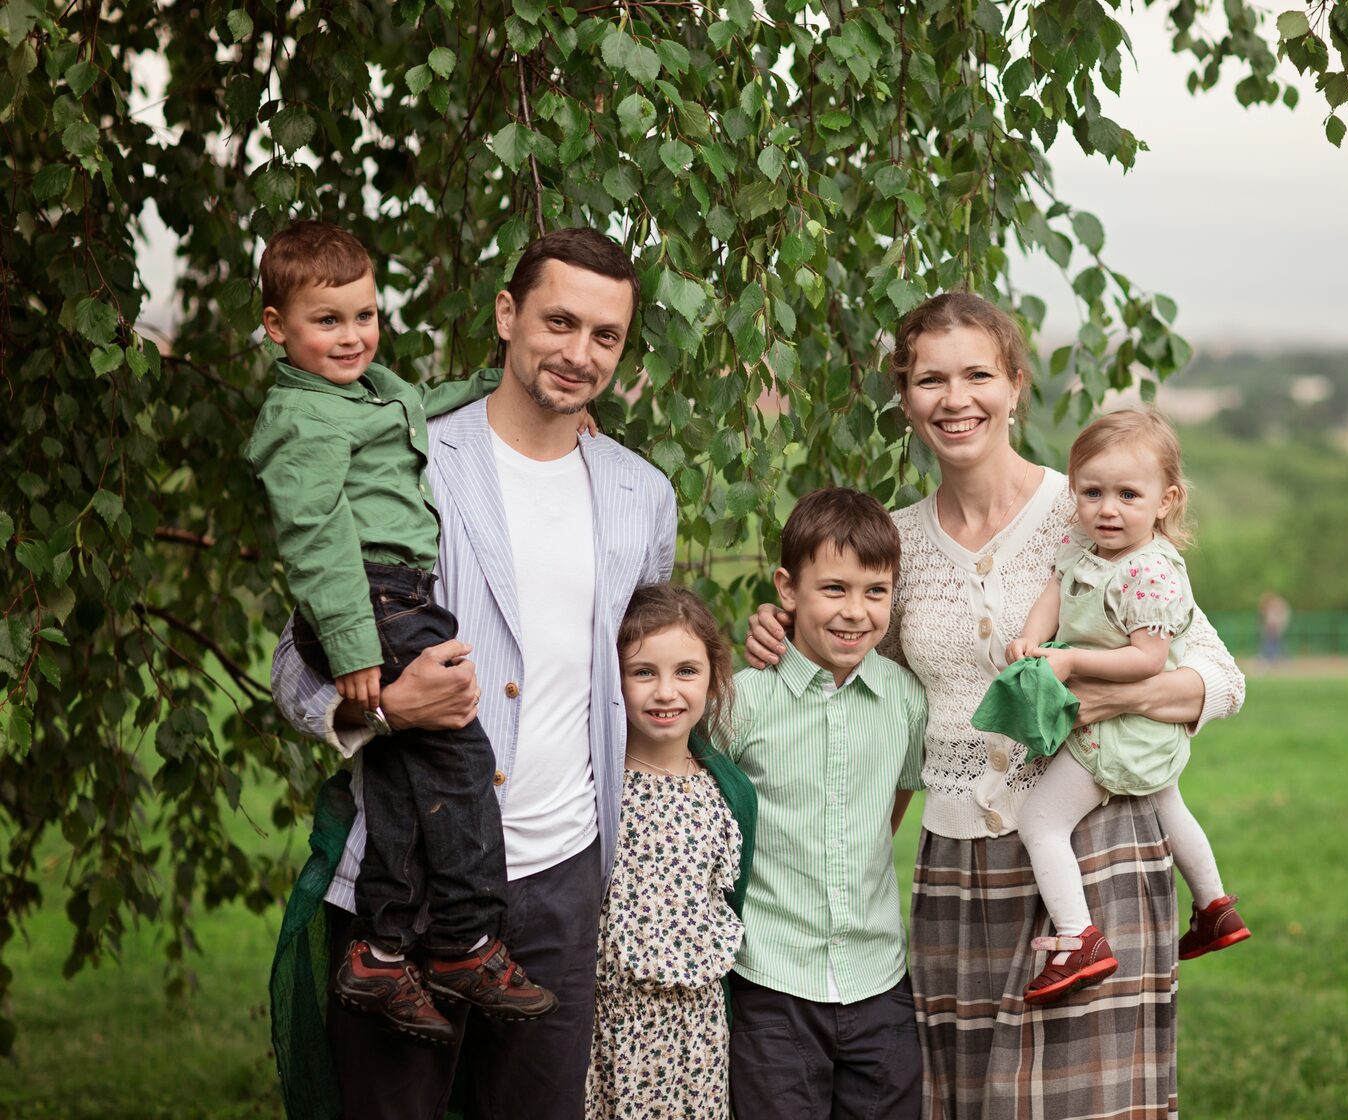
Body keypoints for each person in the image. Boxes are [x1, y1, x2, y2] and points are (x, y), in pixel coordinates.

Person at [747, 293, 1245, 1118]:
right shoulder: (893, 544)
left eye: (978, 374)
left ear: (1016, 384)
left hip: (1092, 851)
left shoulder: (1090, 506)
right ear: (904, 398)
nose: (956, 399)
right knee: (967, 1102)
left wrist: (1113, 696)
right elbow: (857, 673)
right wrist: (785, 627)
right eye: (930, 380)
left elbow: (1221, 678)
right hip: (958, 867)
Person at [270, 227, 677, 1119]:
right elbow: (293, 663)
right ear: (507, 314)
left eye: (605, 335)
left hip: (564, 881)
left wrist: (764, 641)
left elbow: (654, 666)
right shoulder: (410, 459)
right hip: (406, 881)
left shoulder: (641, 493)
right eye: (559, 321)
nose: (579, 353)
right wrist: (384, 711)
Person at [246, 219, 555, 1045]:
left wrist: (508, 389)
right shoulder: (301, 418)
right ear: (277, 326)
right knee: (460, 755)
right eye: (327, 321)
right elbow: (314, 538)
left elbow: (429, 402)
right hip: (374, 597)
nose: (352, 336)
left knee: (405, 775)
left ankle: (381, 950)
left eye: (364, 316)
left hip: (394, 594)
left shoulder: (367, 391)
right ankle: (464, 939)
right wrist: (352, 650)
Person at [996, 408, 1249, 1007]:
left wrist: (1069, 663)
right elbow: (1055, 590)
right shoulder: (1086, 546)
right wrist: (1033, 639)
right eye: (1092, 492)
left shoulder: (1148, 572)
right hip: (1143, 734)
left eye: (1128, 494)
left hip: (1120, 727)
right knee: (1168, 801)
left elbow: (1147, 661)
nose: (1107, 508)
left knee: (1042, 821)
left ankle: (1078, 938)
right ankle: (1215, 906)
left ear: (1167, 499)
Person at [726, 488, 926, 1120]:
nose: (856, 611)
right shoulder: (742, 702)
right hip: (772, 981)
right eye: (834, 589)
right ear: (787, 590)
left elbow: (891, 806)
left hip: (879, 982)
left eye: (875, 591)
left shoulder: (904, 699)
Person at [586, 585, 756, 1120]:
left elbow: (730, 903)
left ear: (712, 676)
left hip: (697, 1037)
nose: (666, 692)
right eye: (643, 672)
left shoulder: (725, 794)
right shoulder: (593, 790)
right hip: (610, 1029)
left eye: (686, 671)